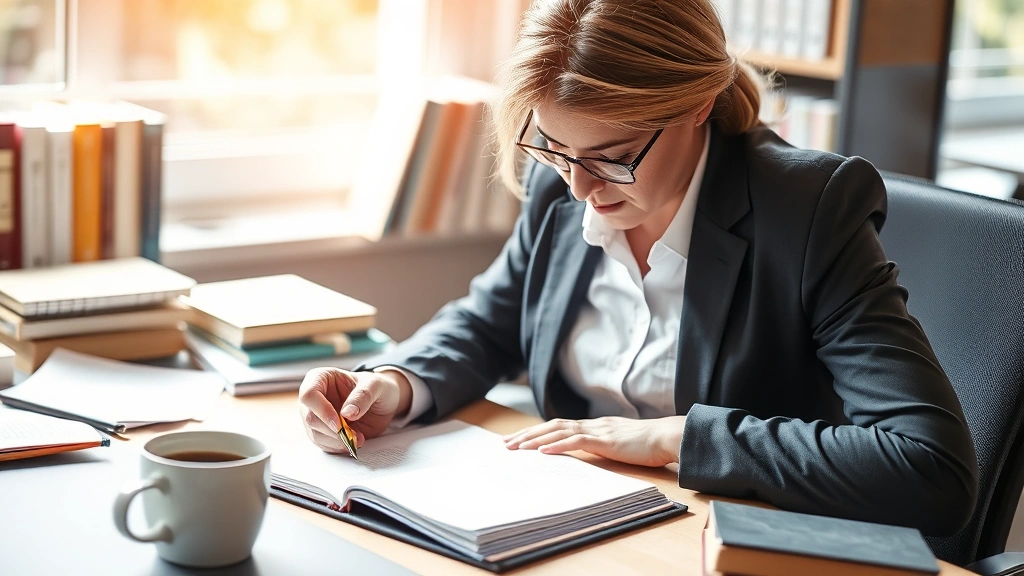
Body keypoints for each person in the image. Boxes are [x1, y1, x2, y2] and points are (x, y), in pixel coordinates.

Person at [298, 0, 978, 535]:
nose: (579, 189)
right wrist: (392, 385)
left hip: (719, 542)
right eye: (554, 149)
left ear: (696, 105)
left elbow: (930, 467)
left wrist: (674, 438)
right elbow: (489, 322)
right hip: (570, 524)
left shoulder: (807, 211)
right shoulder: (563, 181)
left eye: (612, 155)